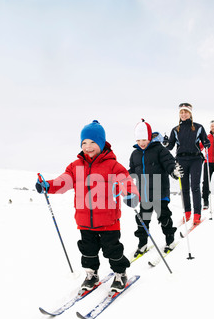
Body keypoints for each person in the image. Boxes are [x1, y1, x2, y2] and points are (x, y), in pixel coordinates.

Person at [35, 120, 139, 292]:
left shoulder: (113, 166)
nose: (88, 147)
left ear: (101, 143)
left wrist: (131, 194)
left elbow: (126, 181)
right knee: (87, 250)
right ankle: (91, 274)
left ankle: (120, 274)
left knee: (112, 250)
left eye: (92, 142)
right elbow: (64, 181)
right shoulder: (75, 167)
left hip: (108, 220)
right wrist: (48, 186)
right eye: (84, 143)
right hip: (85, 220)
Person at [128, 119, 183, 257]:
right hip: (144, 193)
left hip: (160, 190)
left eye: (144, 139)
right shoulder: (135, 154)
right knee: (142, 220)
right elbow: (132, 170)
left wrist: (174, 171)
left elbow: (169, 163)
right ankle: (142, 243)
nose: (141, 143)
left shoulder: (160, 150)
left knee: (164, 217)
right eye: (139, 140)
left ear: (150, 137)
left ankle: (169, 240)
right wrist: (123, 178)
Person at [165, 103, 210, 224]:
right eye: (181, 112)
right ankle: (187, 212)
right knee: (184, 188)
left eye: (186, 112)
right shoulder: (175, 130)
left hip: (195, 159)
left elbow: (205, 140)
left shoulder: (198, 127)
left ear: (190, 113)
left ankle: (197, 214)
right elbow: (170, 146)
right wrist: (165, 142)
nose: (183, 114)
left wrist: (206, 143)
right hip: (181, 160)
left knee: (195, 187)